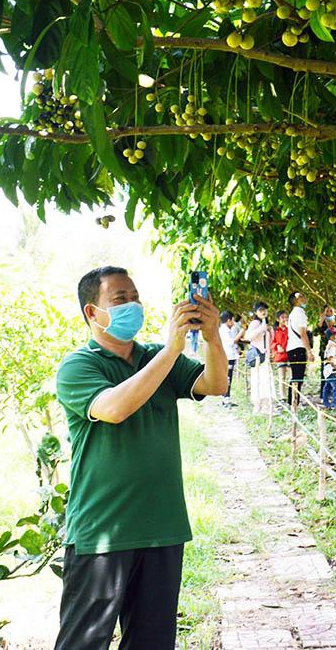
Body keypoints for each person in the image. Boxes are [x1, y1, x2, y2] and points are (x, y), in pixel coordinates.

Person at [54, 266, 229, 650]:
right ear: (91, 312)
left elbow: (216, 384)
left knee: (152, 642)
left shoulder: (155, 357)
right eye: (120, 299)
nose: (132, 305)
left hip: (162, 526)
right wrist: (170, 351)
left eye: (135, 297)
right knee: (83, 642)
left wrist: (213, 338)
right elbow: (114, 408)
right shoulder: (78, 366)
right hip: (104, 532)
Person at [285, 291, 313, 406]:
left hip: (292, 347)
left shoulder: (292, 313)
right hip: (298, 348)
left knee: (296, 376)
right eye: (302, 296)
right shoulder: (300, 313)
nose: (304, 298)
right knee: (298, 376)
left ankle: (293, 401)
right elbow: (303, 333)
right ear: (296, 300)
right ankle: (293, 402)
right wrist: (309, 351)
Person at [245, 302, 272, 411]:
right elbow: (248, 336)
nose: (264, 312)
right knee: (257, 380)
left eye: (265, 309)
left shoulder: (264, 323)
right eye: (261, 310)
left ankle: (266, 405)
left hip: (265, 356)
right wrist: (262, 328)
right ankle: (257, 406)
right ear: (256, 312)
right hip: (257, 357)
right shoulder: (255, 323)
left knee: (266, 380)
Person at [219, 310, 242, 407]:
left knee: (228, 377)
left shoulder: (227, 330)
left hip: (230, 355)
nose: (233, 322)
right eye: (233, 320)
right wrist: (242, 331)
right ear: (228, 320)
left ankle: (226, 397)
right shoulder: (224, 330)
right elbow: (232, 342)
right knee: (227, 378)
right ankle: (225, 398)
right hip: (227, 357)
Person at [270, 309, 290, 402]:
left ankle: (292, 395)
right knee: (282, 377)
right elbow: (271, 342)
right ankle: (283, 397)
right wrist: (277, 346)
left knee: (291, 376)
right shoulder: (274, 330)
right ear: (278, 319)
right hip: (280, 356)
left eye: (286, 317)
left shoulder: (289, 328)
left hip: (290, 354)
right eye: (282, 317)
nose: (285, 319)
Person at [321, 333, 336, 408]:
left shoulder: (330, 346)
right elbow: (331, 359)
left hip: (327, 370)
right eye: (335, 335)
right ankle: (335, 405)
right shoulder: (332, 347)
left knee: (327, 387)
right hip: (332, 370)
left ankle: (326, 403)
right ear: (331, 336)